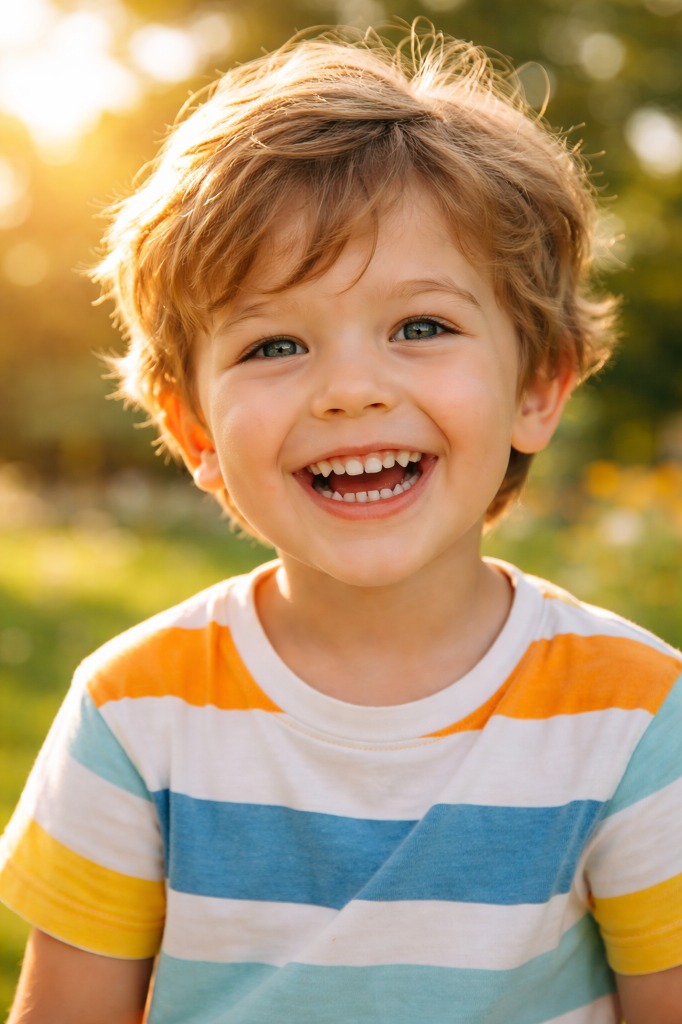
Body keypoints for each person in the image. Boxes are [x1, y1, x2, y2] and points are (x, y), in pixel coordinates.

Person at [1, 23, 681, 1024]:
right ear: (193, 429)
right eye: (275, 342)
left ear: (537, 386)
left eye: (422, 327)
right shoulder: (133, 715)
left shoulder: (632, 717)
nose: (350, 390)